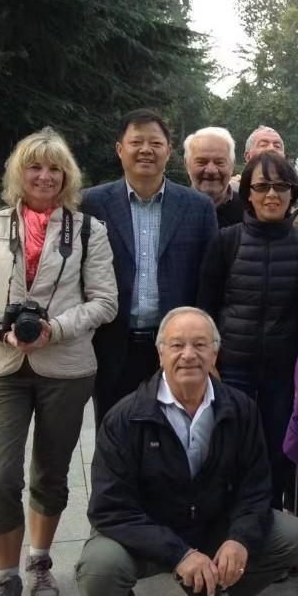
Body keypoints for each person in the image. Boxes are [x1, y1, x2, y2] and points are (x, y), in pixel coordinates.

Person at [75, 307, 298, 596]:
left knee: (292, 536)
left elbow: (255, 488)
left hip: (207, 522)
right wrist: (179, 554)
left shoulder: (240, 409)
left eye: (200, 345)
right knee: (100, 568)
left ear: (215, 354)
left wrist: (239, 539)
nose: (189, 355)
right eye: (177, 345)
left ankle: (207, 588)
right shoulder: (125, 417)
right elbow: (110, 509)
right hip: (145, 533)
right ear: (160, 354)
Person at [0, 128, 117, 596]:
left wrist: (55, 328)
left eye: (55, 169)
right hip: (2, 366)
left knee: (50, 472)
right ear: (17, 173)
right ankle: (3, 581)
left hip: (65, 367)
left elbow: (105, 301)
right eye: (34, 167)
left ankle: (40, 563)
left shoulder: (88, 230)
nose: (45, 177)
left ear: (68, 177)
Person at [197, 150, 298, 511]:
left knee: (277, 445)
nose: (272, 194)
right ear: (248, 194)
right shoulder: (226, 241)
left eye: (281, 186)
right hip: (231, 367)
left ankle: (271, 516)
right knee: (230, 444)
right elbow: (205, 306)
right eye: (262, 186)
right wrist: (208, 361)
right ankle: (229, 518)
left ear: (292, 193)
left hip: (281, 369)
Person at [81, 109, 217, 428]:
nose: (146, 150)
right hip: (113, 345)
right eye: (136, 142)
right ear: (120, 149)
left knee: (177, 433)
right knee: (115, 433)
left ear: (169, 151)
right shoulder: (91, 204)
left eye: (155, 143)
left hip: (175, 348)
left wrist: (207, 345)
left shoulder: (197, 207)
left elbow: (209, 281)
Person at [184, 127, 244, 228]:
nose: (211, 170)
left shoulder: (250, 212)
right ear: (186, 164)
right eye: (202, 162)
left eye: (219, 162)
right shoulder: (170, 210)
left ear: (232, 165)